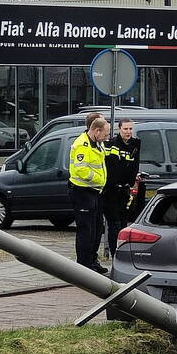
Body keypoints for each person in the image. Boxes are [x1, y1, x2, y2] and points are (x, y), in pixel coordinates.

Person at [69, 117, 109, 273]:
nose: (107, 137)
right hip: (82, 191)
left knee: (97, 228)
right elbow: (82, 170)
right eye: (105, 134)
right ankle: (84, 265)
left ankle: (92, 260)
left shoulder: (97, 143)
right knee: (86, 230)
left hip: (94, 191)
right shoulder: (82, 145)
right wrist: (100, 180)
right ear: (96, 131)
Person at [103, 118, 141, 257]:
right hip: (111, 191)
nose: (128, 132)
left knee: (124, 225)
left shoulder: (135, 145)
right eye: (125, 129)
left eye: (130, 129)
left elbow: (133, 165)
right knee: (115, 225)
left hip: (125, 191)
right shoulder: (112, 144)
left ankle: (122, 255)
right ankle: (114, 255)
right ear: (119, 129)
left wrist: (133, 178)